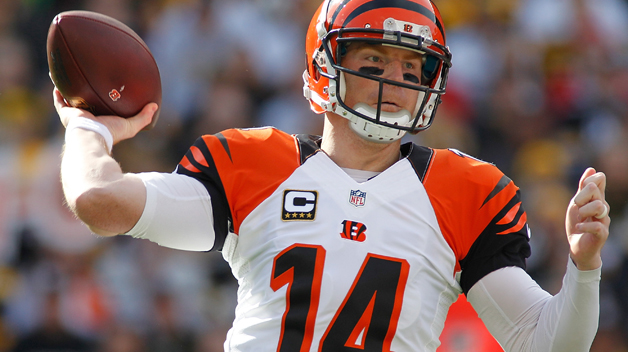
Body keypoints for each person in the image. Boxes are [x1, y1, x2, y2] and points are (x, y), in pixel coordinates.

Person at [55, 0, 610, 351]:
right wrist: (88, 128)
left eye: (412, 68)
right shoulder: (254, 164)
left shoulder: (465, 191)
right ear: (326, 69)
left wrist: (584, 270)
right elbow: (99, 201)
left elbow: (545, 344)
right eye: (373, 64)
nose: (396, 81)